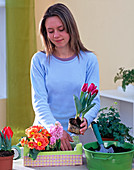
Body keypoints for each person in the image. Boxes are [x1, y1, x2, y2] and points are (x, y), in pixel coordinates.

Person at [30, 3, 100, 151]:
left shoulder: (88, 59)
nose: (56, 35)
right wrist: (56, 130)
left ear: (71, 27)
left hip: (77, 134)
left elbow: (94, 99)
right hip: (46, 133)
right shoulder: (39, 60)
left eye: (61, 29)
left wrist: (86, 120)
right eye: (50, 31)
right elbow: (39, 102)